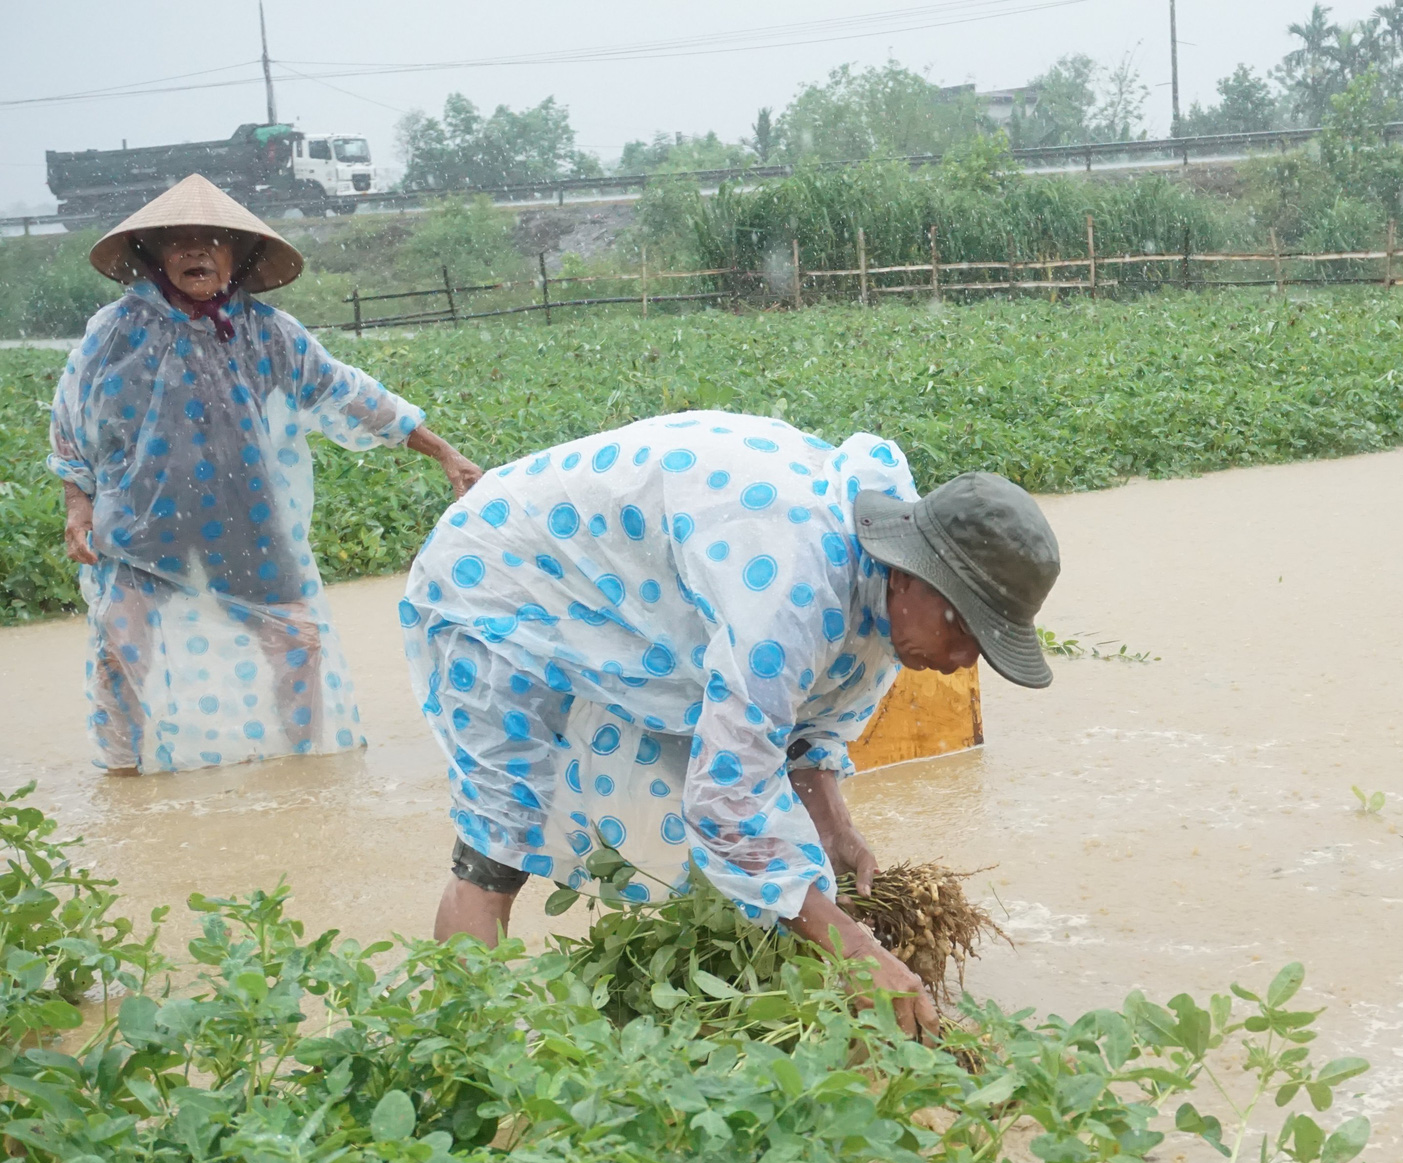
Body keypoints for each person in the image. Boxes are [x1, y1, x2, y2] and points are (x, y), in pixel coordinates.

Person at [401, 410, 1060, 1036]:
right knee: (498, 847)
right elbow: (727, 798)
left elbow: (798, 730)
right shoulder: (793, 589)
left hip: (627, 603)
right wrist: (852, 945)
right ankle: (468, 1046)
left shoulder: (880, 589)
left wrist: (836, 829)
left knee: (748, 864)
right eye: (967, 630)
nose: (963, 661)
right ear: (915, 579)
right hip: (499, 576)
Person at [48, 174, 481, 775]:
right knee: (120, 652)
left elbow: (350, 394)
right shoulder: (116, 331)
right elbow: (73, 420)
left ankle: (308, 769)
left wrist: (442, 452)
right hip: (143, 522)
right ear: (154, 256)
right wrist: (78, 506)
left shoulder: (269, 333)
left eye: (212, 242)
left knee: (296, 640)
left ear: (238, 256)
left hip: (246, 517)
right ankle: (124, 780)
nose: (195, 253)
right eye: (179, 242)